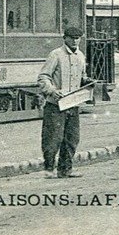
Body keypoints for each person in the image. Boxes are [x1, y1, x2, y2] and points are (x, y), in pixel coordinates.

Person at [37, 25, 92, 178]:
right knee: (53, 138)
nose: (75, 41)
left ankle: (66, 169)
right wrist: (52, 91)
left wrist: (88, 82)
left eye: (78, 38)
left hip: (73, 105)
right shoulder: (56, 55)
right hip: (56, 105)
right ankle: (49, 169)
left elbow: (82, 77)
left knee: (72, 139)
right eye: (72, 38)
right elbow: (43, 77)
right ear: (65, 38)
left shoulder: (80, 56)